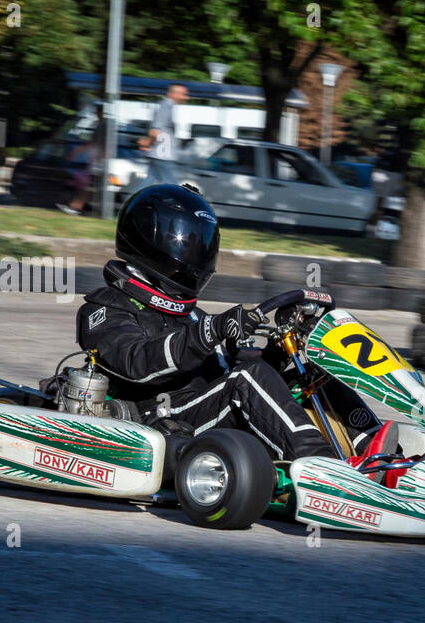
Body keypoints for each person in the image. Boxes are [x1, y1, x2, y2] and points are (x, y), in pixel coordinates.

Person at [76, 183, 386, 461]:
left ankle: (379, 456)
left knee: (315, 378)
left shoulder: (188, 313)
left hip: (209, 406)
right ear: (149, 239)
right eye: (187, 242)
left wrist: (277, 352)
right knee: (245, 379)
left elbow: (233, 372)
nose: (196, 253)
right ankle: (321, 467)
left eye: (201, 245)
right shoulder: (104, 309)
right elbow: (138, 363)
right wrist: (213, 330)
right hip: (160, 416)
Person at [134, 84, 187, 189]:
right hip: (163, 155)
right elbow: (155, 131)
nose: (186, 97)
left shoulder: (167, 107)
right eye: (183, 94)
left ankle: (130, 203)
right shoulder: (165, 107)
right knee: (173, 186)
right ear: (172, 94)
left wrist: (148, 143)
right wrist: (147, 142)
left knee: (148, 183)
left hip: (160, 154)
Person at [57, 104, 106, 216]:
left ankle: (75, 207)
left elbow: (101, 144)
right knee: (86, 185)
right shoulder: (100, 125)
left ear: (100, 112)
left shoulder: (103, 126)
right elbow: (94, 143)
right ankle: (75, 206)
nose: (95, 114)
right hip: (96, 160)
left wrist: (77, 151)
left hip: (98, 161)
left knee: (86, 185)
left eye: (96, 111)